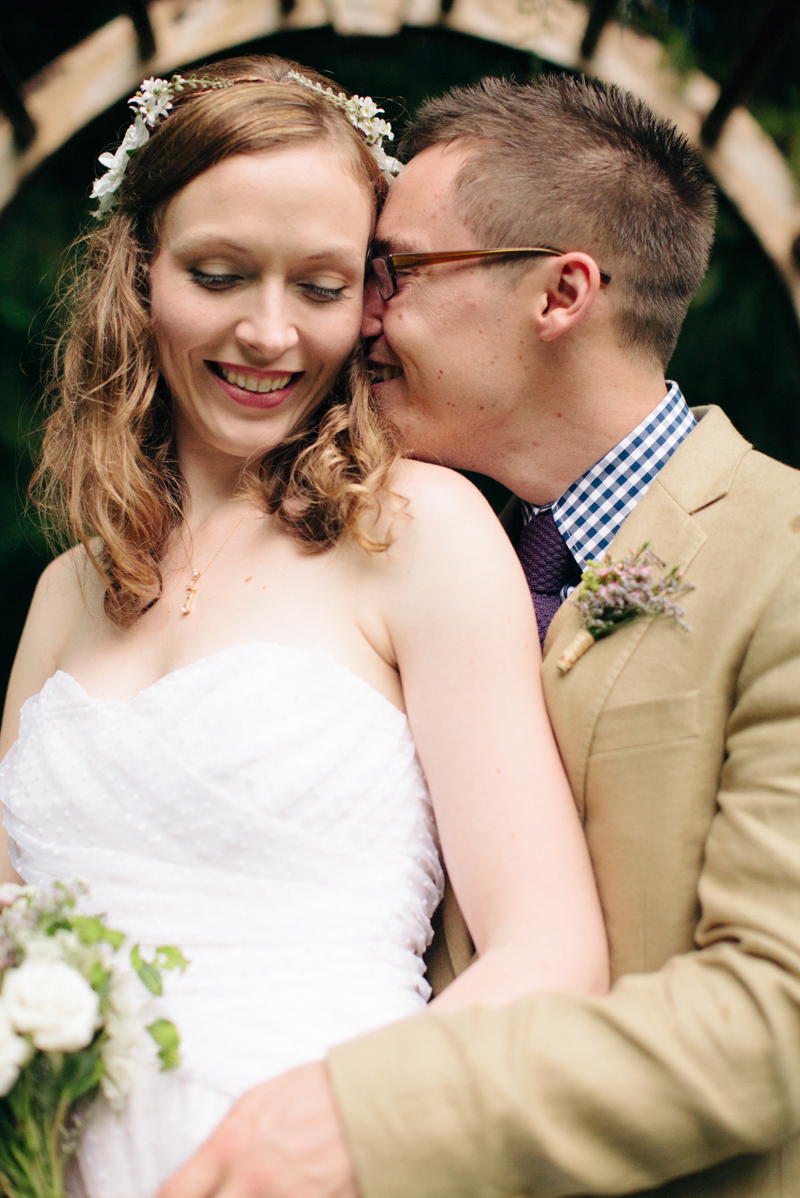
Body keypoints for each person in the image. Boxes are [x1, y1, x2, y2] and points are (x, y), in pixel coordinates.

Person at [159, 74, 800, 1198]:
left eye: (396, 272)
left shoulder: (780, 557)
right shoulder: (404, 555)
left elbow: (773, 1016)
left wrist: (372, 1118)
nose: (358, 315)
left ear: (559, 294)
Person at [0, 58, 609, 1197]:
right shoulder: (67, 592)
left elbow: (549, 954)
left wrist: (333, 1129)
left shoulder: (418, 530)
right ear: (139, 274)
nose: (268, 333)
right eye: (219, 273)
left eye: (321, 288)